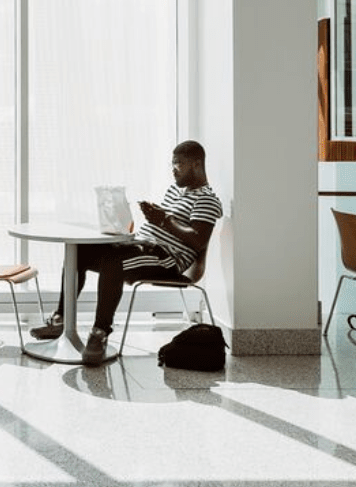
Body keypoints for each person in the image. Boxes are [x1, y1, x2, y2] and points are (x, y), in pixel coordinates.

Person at [30, 140, 223, 367]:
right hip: (141, 246)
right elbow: (165, 224)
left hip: (166, 259)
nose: (173, 169)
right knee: (79, 251)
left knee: (115, 262)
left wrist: (164, 219)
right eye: (172, 164)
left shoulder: (206, 199)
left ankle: (99, 333)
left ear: (196, 164)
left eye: (178, 164)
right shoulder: (175, 191)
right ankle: (60, 320)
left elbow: (198, 240)